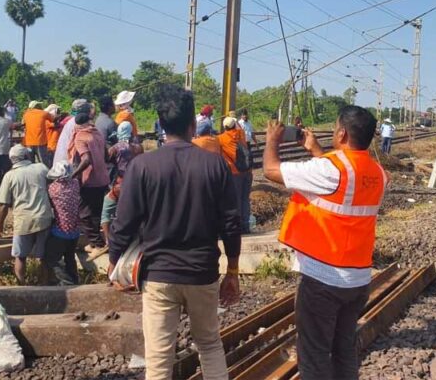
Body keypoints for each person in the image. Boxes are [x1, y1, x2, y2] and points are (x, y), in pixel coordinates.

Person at [108, 85, 241, 380]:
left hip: (158, 275)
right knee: (209, 344)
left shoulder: (142, 166)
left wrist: (114, 260)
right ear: (193, 125)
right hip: (202, 272)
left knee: (158, 357)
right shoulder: (215, 165)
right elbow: (231, 223)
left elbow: (124, 222)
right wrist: (232, 269)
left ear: (161, 125)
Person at [262, 106, 387, 380]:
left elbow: (271, 170)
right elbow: (343, 184)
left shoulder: (332, 169)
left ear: (341, 133)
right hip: (358, 280)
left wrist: (272, 139)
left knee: (314, 354)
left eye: (334, 128)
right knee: (344, 349)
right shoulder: (378, 174)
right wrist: (317, 151)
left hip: (324, 280)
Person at [0, 144, 53, 285]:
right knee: (44, 256)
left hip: (23, 222)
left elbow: (4, 205)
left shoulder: (9, 176)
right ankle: (44, 284)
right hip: (44, 218)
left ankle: (20, 285)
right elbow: (53, 188)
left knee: (20, 256)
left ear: (12, 160)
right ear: (27, 156)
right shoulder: (41, 168)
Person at [70, 103, 111, 251]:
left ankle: (97, 243)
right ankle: (96, 242)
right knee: (97, 212)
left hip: (89, 180)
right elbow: (106, 155)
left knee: (84, 213)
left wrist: (73, 175)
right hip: (102, 178)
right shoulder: (97, 133)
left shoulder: (80, 137)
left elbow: (86, 159)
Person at [45, 161, 82, 285]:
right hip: (75, 231)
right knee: (70, 258)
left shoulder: (53, 189)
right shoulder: (75, 184)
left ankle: (67, 282)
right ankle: (75, 280)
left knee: (51, 258)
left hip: (60, 231)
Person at [219, 116, 253, 234]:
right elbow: (239, 127)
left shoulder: (221, 138)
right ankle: (245, 226)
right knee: (245, 199)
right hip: (247, 171)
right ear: (235, 125)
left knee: (236, 199)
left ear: (224, 127)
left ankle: (237, 226)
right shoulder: (241, 133)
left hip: (234, 173)